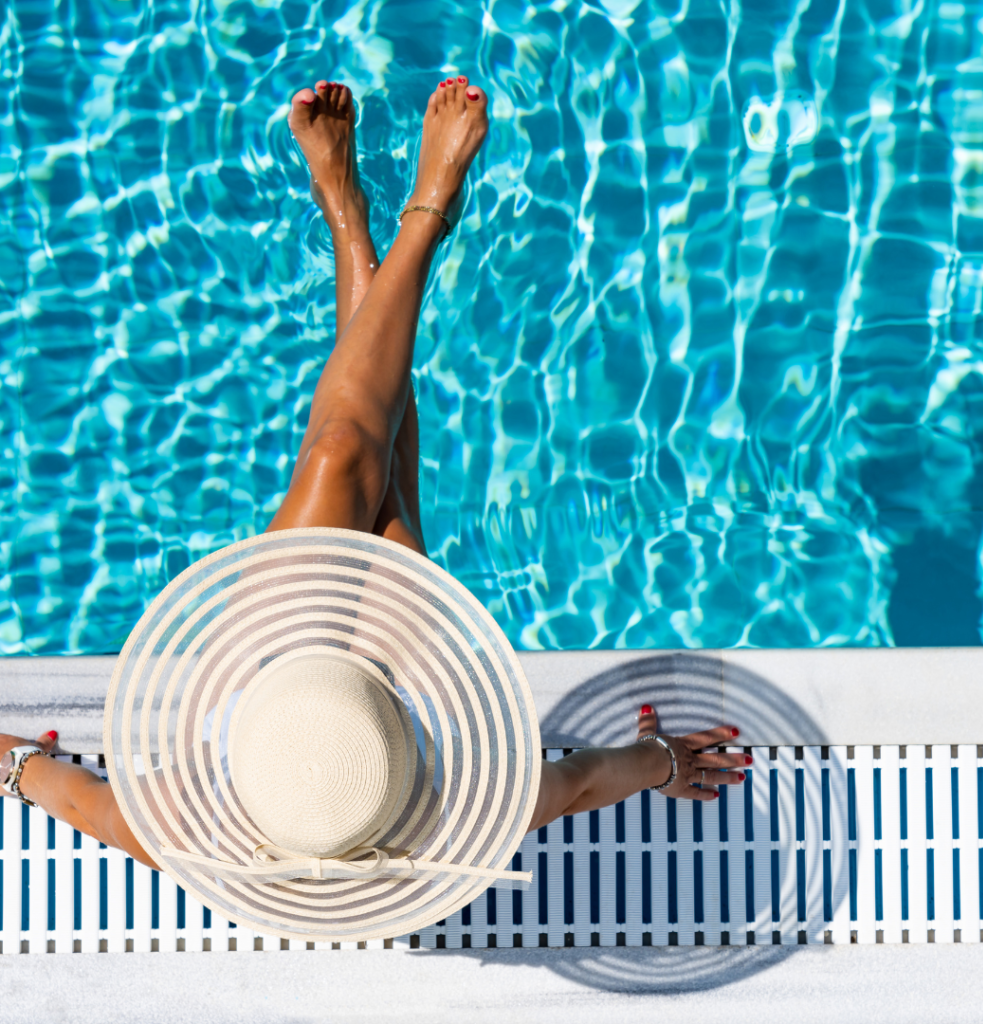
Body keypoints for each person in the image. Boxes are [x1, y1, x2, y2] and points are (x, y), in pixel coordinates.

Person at [0, 77, 748, 874]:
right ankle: (407, 213)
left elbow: (78, 800)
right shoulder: (463, 806)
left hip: (271, 679)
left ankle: (368, 221)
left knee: (343, 450)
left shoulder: (181, 827)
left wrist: (16, 765)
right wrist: (662, 761)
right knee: (378, 465)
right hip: (402, 706)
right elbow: (586, 778)